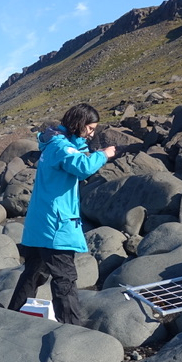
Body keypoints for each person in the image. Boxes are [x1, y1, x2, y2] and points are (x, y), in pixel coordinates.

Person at [7, 103, 116, 325]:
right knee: (65, 279)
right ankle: (72, 331)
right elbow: (82, 167)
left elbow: (75, 156)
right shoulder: (59, 147)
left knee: (33, 274)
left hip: (41, 225)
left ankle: (11, 317)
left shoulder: (53, 144)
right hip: (55, 226)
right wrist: (103, 155)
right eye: (90, 128)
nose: (92, 133)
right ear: (79, 124)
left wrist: (84, 147)